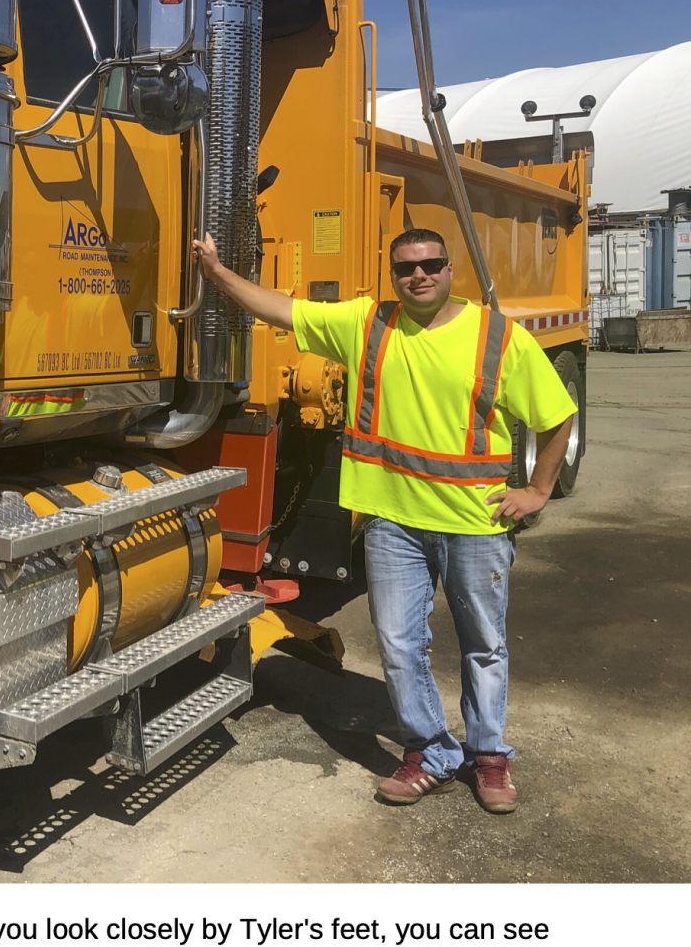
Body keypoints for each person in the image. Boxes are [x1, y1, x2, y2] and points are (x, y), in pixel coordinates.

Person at [192, 226, 576, 813]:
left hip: (475, 524)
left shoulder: (498, 338)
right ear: (391, 275)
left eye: (430, 264)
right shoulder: (368, 324)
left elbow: (557, 416)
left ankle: (489, 757)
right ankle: (430, 751)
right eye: (405, 268)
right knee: (399, 645)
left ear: (450, 271)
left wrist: (539, 490)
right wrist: (217, 275)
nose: (418, 275)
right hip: (393, 524)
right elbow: (282, 309)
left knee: (484, 645)